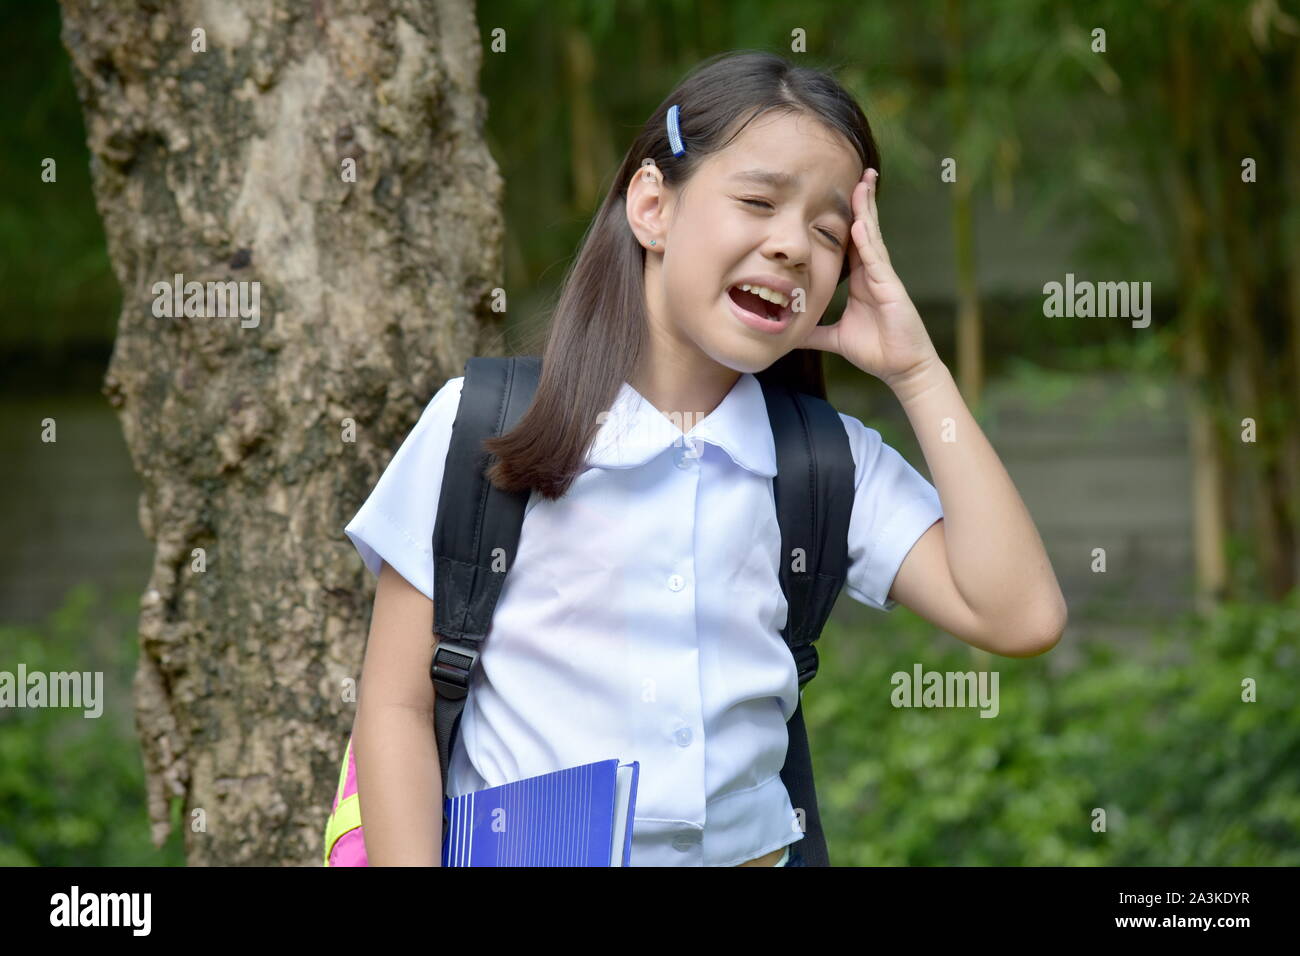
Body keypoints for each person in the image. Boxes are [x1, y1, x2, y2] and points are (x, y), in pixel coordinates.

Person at [343, 50, 1068, 867]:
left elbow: (1020, 615)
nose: (793, 246)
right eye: (758, 200)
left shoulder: (824, 465)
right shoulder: (483, 428)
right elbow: (396, 706)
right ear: (652, 206)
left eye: (828, 233)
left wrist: (918, 373)